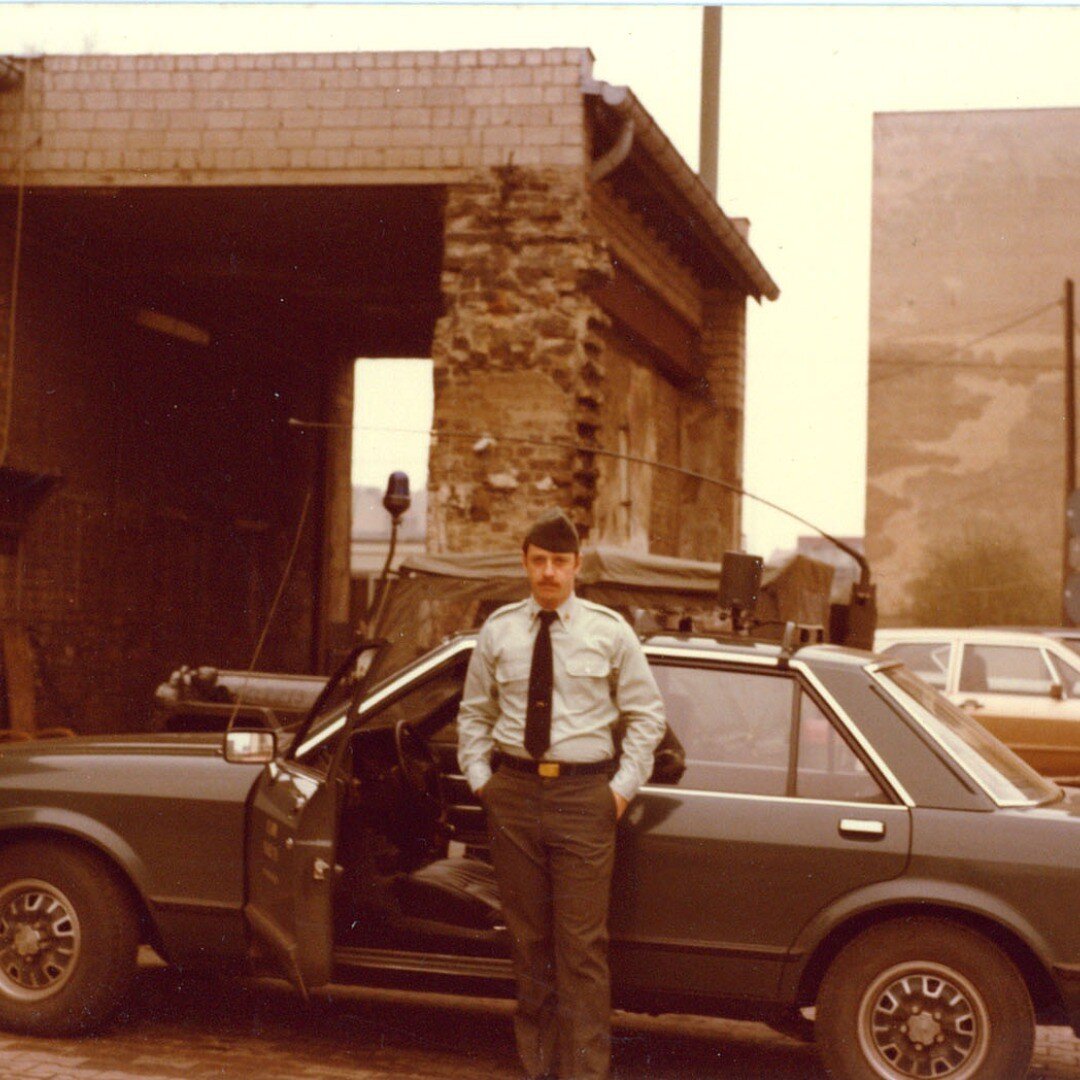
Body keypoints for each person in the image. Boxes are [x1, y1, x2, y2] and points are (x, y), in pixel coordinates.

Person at [457, 508, 666, 1080]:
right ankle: (538, 1068)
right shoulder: (498, 630)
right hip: (515, 796)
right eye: (539, 561)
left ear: (577, 567)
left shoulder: (609, 631)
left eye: (560, 562)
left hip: (583, 800)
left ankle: (583, 1074)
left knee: (581, 949)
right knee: (529, 942)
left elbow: (647, 716)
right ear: (525, 562)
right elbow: (474, 713)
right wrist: (484, 781)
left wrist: (618, 793)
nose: (549, 572)